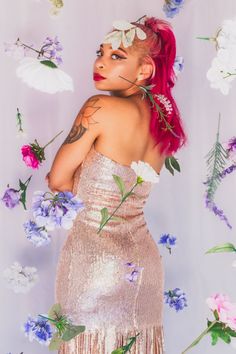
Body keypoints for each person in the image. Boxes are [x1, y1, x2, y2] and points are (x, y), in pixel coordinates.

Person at [47, 15, 186, 354]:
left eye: (116, 56)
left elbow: (58, 180)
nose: (100, 62)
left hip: (94, 261)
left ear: (145, 70)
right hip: (144, 265)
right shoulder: (161, 123)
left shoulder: (99, 108)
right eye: (101, 52)